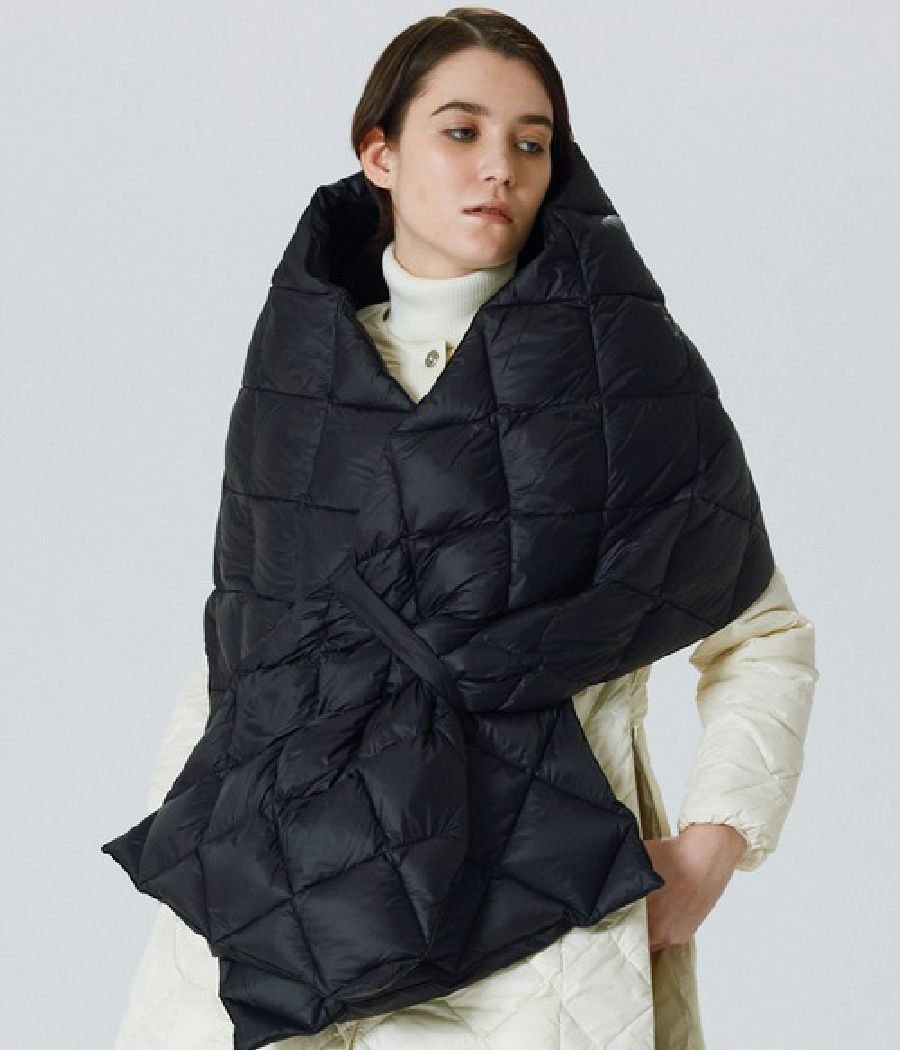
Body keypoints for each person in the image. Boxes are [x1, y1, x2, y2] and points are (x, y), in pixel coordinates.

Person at [108, 9, 818, 1050]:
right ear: (380, 155)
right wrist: (198, 835)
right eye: (460, 131)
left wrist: (714, 847)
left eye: (532, 143)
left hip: (540, 928)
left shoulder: (628, 381)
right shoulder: (298, 371)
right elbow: (251, 637)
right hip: (272, 895)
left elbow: (761, 634)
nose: (500, 167)